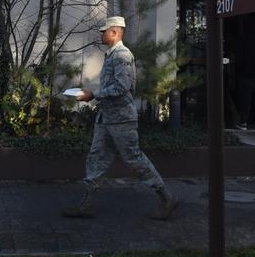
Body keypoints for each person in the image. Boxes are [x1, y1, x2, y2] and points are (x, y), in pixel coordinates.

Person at [62, 16, 179, 220]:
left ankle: (167, 198)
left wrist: (93, 95)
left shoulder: (122, 55)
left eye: (104, 31)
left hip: (122, 120)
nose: (101, 34)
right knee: (96, 158)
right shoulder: (112, 55)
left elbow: (121, 87)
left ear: (115, 32)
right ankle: (87, 204)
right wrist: (94, 95)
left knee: (134, 159)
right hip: (107, 118)